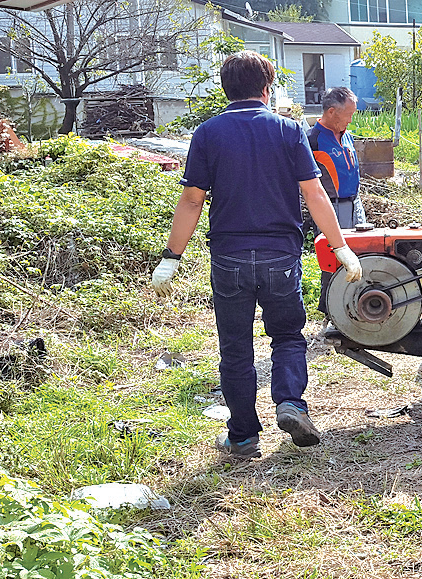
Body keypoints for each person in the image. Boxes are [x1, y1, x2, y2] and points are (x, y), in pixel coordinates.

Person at [149, 51, 363, 459]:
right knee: (286, 335)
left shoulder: (208, 133)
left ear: (226, 89)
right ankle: (289, 403)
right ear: (267, 89)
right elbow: (314, 193)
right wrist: (341, 247)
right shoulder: (287, 130)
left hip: (228, 257)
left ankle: (244, 436)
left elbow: (192, 201)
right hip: (280, 255)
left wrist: (171, 257)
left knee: (235, 348)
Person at [308, 87, 364, 229]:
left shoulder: (348, 137)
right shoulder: (312, 140)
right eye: (348, 114)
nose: (350, 120)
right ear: (331, 111)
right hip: (330, 209)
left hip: (356, 206)